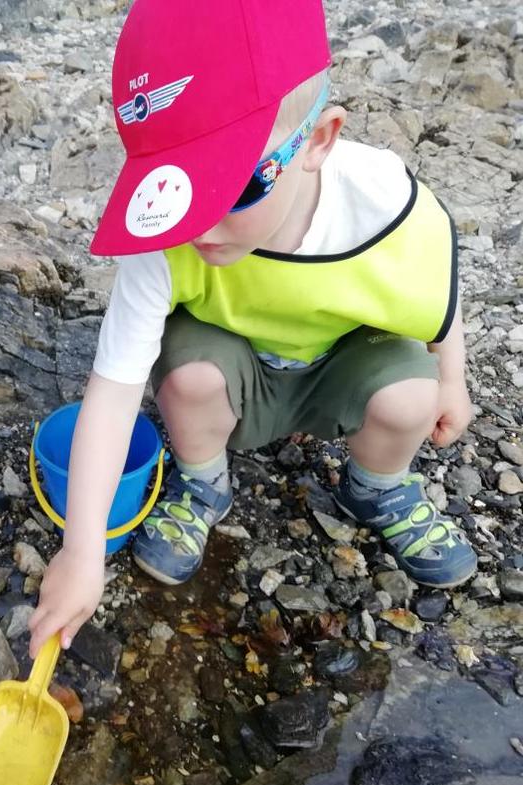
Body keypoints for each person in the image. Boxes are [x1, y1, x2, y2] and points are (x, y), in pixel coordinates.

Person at [29, 0, 475, 657]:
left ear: (319, 140)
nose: (201, 225)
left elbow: (439, 292)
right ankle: (205, 484)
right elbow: (115, 388)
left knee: (415, 393)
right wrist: (83, 547)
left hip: (339, 367)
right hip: (230, 366)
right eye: (177, 187)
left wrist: (456, 378)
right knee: (186, 376)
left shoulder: (385, 207)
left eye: (234, 187)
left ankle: (377, 487)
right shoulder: (166, 234)